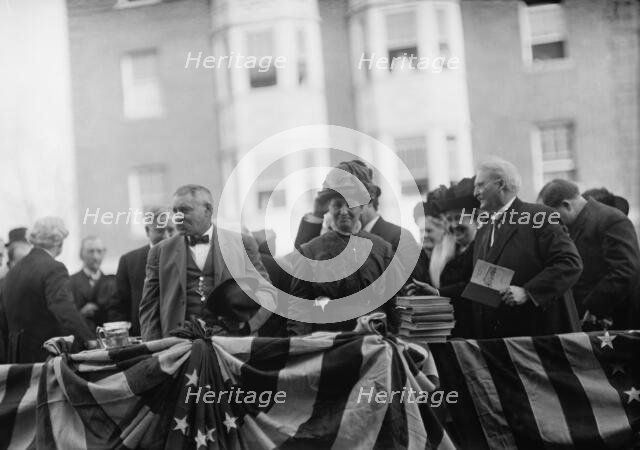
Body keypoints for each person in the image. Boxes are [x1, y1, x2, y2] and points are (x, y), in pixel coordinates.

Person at [138, 185, 277, 341]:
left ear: (208, 210)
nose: (177, 217)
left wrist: (246, 327)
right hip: (178, 347)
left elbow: (268, 294)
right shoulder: (159, 252)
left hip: (232, 345)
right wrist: (156, 349)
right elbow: (149, 307)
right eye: (175, 211)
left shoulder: (242, 244)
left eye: (184, 210)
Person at [471, 157, 583, 338]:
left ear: (501, 185)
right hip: (500, 340)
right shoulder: (484, 228)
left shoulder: (539, 216)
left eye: (480, 185)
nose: (475, 192)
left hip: (540, 336)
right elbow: (481, 282)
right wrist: (437, 293)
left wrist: (528, 292)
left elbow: (570, 264)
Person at [288, 169, 402, 336]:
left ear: (363, 206)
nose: (343, 211)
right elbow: (299, 310)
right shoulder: (310, 252)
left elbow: (395, 305)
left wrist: (395, 343)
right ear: (329, 207)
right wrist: (301, 348)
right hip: (328, 346)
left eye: (350, 204)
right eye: (337, 205)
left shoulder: (383, 250)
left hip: (374, 345)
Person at [539, 179, 640, 329]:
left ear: (567, 205)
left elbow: (624, 271)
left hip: (613, 321)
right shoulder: (575, 225)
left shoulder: (611, 219)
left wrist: (592, 309)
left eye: (553, 216)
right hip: (588, 320)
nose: (553, 222)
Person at [0, 217, 93, 363]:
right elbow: (64, 309)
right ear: (58, 240)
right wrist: (90, 340)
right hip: (46, 357)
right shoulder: (54, 268)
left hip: (17, 359)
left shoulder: (12, 272)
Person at [294, 160, 418, 269]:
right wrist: (317, 215)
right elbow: (299, 266)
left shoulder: (399, 239)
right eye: (336, 202)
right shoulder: (334, 237)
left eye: (349, 200)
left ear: (368, 200)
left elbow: (408, 289)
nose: (343, 210)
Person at [407, 178, 479, 338]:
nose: (453, 225)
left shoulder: (486, 246)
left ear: (476, 217)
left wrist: (438, 292)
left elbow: (483, 290)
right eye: (449, 219)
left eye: (458, 218)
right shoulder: (453, 251)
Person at [108, 207, 175, 335]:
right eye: (160, 231)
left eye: (171, 230)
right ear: (147, 231)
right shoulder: (129, 261)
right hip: (143, 338)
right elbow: (119, 307)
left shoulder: (187, 256)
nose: (167, 236)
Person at [70, 236, 115, 330]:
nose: (95, 257)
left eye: (99, 251)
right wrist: (81, 313)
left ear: (104, 253)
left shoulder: (112, 282)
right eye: (91, 251)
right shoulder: (70, 282)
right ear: (81, 255)